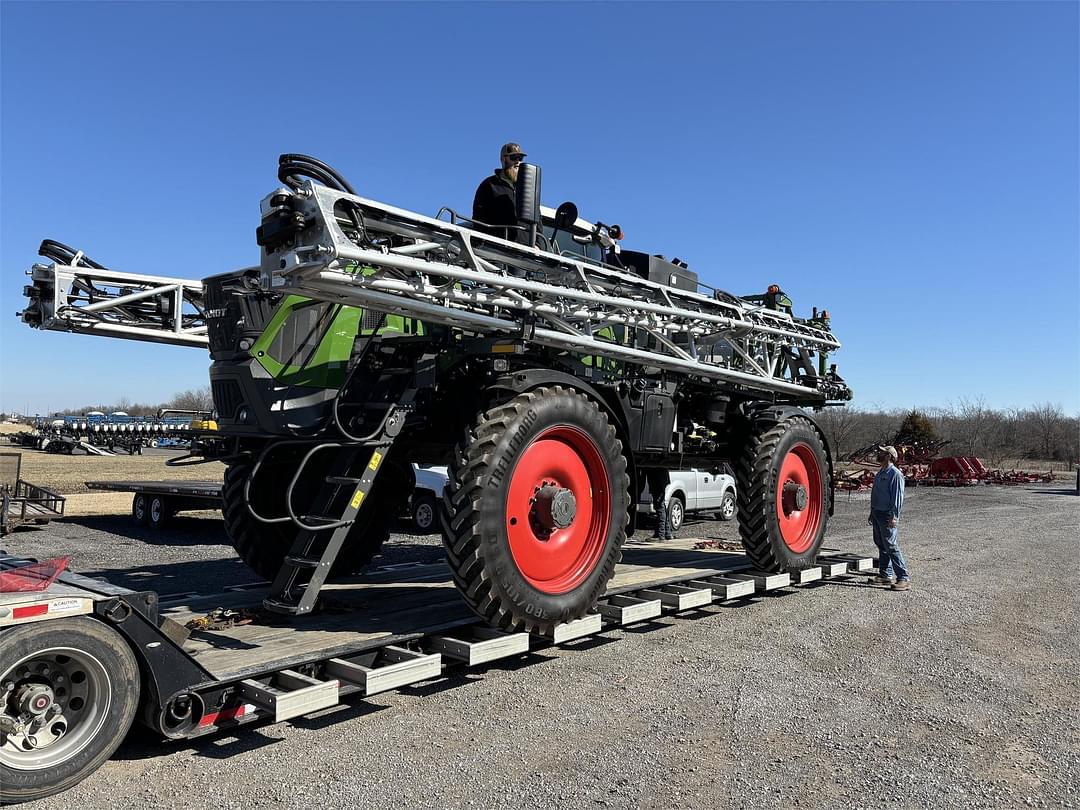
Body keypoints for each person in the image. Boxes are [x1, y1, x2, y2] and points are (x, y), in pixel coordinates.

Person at [868, 445, 910, 590]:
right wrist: (872, 512)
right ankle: (885, 575)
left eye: (882, 452)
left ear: (889, 456)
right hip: (877, 513)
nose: (879, 454)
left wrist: (894, 517)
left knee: (891, 546)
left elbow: (898, 498)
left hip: (887, 515)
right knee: (882, 545)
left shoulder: (895, 474)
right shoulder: (880, 473)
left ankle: (903, 578)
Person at [471, 142, 526, 242]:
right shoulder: (489, 185)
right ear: (503, 159)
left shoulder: (526, 189)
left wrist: (537, 245)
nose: (517, 162)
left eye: (520, 158)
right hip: (498, 251)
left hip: (526, 254)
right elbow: (478, 219)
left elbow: (537, 220)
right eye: (513, 157)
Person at [643, 467, 673, 540]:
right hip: (659, 479)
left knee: (659, 506)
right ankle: (667, 533)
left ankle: (661, 534)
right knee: (661, 505)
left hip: (657, 480)